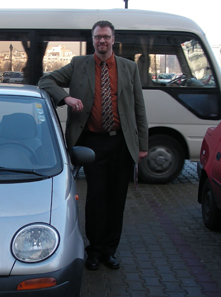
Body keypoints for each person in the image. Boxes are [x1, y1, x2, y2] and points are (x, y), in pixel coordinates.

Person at [38, 20, 148, 270]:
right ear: (93, 40)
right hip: (91, 144)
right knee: (96, 198)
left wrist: (142, 145)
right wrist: (65, 97)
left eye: (106, 37)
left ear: (113, 39)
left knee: (116, 199)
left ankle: (110, 250)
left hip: (121, 142)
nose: (102, 41)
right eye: (98, 37)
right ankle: (94, 251)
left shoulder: (129, 68)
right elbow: (46, 81)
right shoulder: (79, 65)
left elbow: (139, 108)